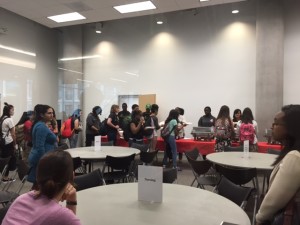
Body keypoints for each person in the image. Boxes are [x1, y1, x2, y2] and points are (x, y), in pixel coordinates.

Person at [2, 150, 81, 225]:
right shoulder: (61, 214)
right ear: (72, 176)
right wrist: (72, 201)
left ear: (38, 177)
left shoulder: (22, 199)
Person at [256, 105, 300, 225]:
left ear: (291, 127)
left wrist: (259, 218)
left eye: (276, 123)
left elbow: (274, 201)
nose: (272, 126)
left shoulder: (295, 157)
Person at [28, 104, 57, 186]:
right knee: (40, 184)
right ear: (41, 115)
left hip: (41, 157)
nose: (52, 115)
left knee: (38, 184)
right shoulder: (41, 127)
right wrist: (45, 161)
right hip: (41, 158)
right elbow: (40, 147)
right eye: (49, 113)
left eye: (52, 113)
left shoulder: (41, 124)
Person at [0, 102, 17, 182]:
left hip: (2, 142)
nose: (13, 111)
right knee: (9, 159)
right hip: (8, 142)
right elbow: (13, 134)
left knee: (4, 158)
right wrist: (15, 144)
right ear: (8, 111)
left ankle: (4, 176)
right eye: (12, 110)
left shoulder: (2, 118)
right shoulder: (10, 120)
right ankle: (5, 178)